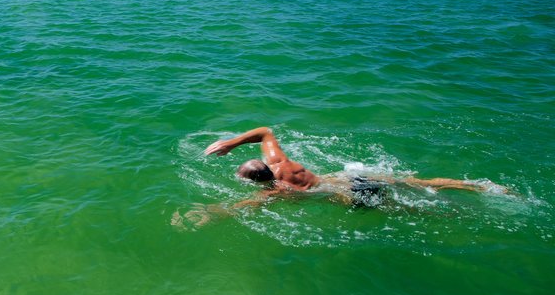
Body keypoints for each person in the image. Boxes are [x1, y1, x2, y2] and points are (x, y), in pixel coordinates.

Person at [204, 126, 504, 206]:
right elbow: (265, 131)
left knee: (411, 209)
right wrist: (232, 142)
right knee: (416, 183)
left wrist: (211, 212)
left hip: (348, 194)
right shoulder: (281, 163)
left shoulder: (279, 191)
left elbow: (245, 205)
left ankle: (459, 212)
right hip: (351, 176)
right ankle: (480, 186)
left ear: (257, 180)